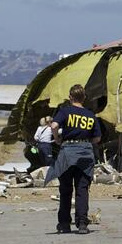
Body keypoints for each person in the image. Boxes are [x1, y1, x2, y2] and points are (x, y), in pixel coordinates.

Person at [45, 85, 101, 234]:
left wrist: (57, 138)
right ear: (84, 98)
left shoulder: (65, 111)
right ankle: (82, 223)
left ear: (70, 97)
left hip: (67, 152)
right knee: (82, 189)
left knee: (65, 189)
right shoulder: (90, 115)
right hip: (85, 153)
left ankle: (64, 224)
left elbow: (54, 125)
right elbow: (97, 138)